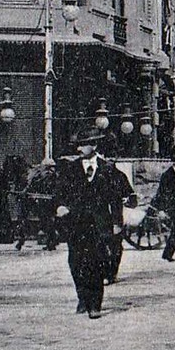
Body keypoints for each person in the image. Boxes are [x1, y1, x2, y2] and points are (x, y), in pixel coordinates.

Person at [55, 132, 124, 317]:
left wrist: (117, 222)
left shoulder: (108, 169)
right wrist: (61, 205)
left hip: (100, 224)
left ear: (93, 145)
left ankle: (95, 305)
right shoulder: (71, 169)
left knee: (97, 263)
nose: (78, 149)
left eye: (82, 145)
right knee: (76, 263)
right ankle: (82, 298)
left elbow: (116, 198)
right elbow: (61, 192)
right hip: (76, 224)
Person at [105, 161, 136, 283]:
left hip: (115, 217)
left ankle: (111, 273)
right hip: (99, 218)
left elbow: (131, 195)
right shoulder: (95, 174)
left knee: (115, 245)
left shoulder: (119, 176)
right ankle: (105, 273)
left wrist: (128, 200)